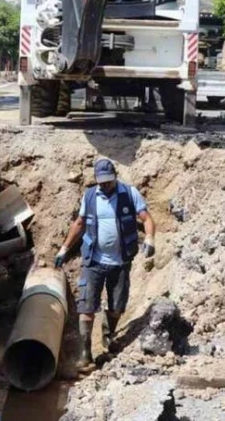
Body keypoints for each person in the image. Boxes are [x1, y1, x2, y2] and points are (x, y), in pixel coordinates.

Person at [54, 158, 156, 371]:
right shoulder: (90, 196)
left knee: (117, 306)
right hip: (94, 262)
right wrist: (64, 248)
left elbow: (147, 219)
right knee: (87, 306)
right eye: (101, 182)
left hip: (120, 263)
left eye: (108, 181)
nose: (105, 185)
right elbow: (79, 223)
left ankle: (108, 334)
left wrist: (149, 238)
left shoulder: (129, 194)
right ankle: (85, 352)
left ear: (115, 177)